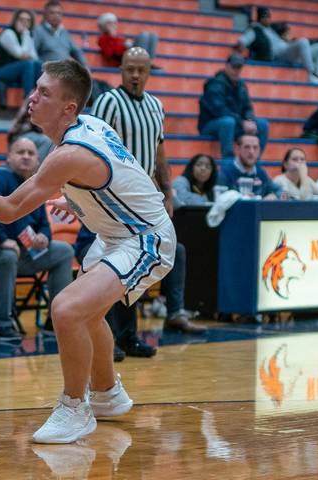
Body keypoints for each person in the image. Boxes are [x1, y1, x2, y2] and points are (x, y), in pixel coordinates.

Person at [0, 59, 175, 443]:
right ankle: (107, 394)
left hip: (145, 238)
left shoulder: (68, 153)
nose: (32, 97)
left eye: (44, 93)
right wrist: (76, 201)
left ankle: (75, 409)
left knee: (67, 308)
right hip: (117, 233)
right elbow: (123, 177)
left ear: (68, 108)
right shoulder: (90, 128)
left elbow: (9, 209)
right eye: (36, 88)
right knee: (88, 315)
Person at [92, 47, 203, 346]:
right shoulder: (108, 101)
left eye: (142, 69)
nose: (136, 75)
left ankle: (134, 332)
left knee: (154, 257)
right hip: (114, 197)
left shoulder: (156, 105)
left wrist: (167, 191)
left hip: (145, 199)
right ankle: (114, 338)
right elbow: (94, 147)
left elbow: (159, 151)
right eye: (130, 69)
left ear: (150, 71)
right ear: (121, 70)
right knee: (120, 261)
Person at [0, 137, 74, 341]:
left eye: (31, 153)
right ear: (9, 157)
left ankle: (57, 321)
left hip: (23, 251)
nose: (26, 156)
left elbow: (43, 222)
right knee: (7, 253)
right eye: (20, 152)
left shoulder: (33, 184)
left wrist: (45, 236)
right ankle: (1, 323)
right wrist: (1, 240)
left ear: (37, 161)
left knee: (64, 251)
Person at [198, 54, 268, 160]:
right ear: (226, 66)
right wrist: (242, 122)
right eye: (234, 67)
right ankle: (228, 160)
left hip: (235, 124)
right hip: (210, 125)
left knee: (262, 124)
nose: (236, 70)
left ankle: (255, 160)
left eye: (239, 67)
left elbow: (247, 107)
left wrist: (249, 120)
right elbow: (219, 110)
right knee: (228, 122)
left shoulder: (241, 85)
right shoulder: (214, 84)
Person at [236, 7, 318, 84]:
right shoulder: (254, 29)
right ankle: (311, 75)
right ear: (260, 18)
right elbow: (242, 42)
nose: (268, 19)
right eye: (265, 16)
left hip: (288, 50)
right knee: (303, 42)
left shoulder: (271, 28)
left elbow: (286, 33)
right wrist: (239, 53)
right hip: (278, 54)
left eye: (269, 16)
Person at [0, 9, 42, 97]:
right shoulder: (8, 33)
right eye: (21, 19)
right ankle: (27, 100)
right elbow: (21, 55)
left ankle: (37, 97)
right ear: (15, 20)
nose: (25, 23)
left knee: (38, 64)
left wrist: (26, 35)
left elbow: (35, 58)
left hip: (15, 71)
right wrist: (25, 34)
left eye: (28, 20)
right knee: (28, 64)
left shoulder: (28, 35)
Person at [217, 134, 281, 199]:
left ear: (259, 150)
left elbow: (280, 191)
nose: (251, 152)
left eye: (255, 147)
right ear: (237, 149)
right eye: (247, 147)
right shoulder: (225, 173)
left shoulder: (261, 173)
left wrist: (274, 196)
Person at [33, 1, 86, 66]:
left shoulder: (65, 33)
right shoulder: (38, 30)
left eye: (59, 13)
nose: (56, 16)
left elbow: (76, 51)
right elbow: (33, 54)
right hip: (46, 71)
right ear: (44, 15)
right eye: (52, 13)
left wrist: (85, 67)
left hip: (64, 71)